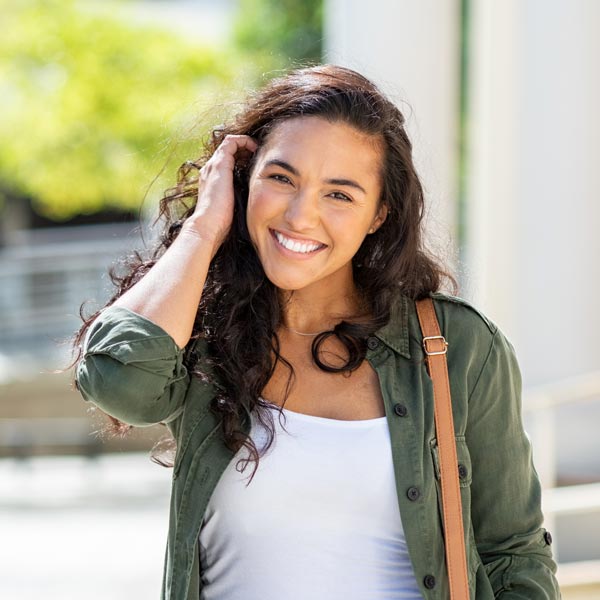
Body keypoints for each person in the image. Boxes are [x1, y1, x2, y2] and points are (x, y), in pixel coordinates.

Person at [72, 65, 560, 599]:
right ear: (244, 179)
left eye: (340, 195)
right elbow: (118, 384)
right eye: (281, 178)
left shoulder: (457, 346)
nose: (301, 216)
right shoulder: (203, 333)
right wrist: (204, 227)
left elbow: (514, 554)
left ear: (379, 215)